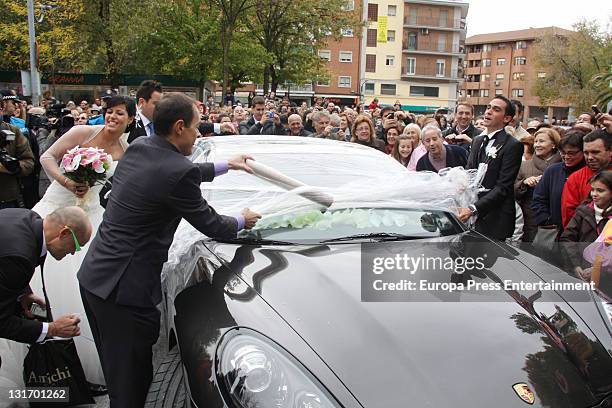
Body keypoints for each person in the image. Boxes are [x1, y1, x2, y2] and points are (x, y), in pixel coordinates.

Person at [77, 93, 260, 407]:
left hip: (95, 277)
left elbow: (176, 173)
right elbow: (213, 224)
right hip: (124, 292)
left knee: (117, 373)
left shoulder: (140, 148)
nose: (197, 134)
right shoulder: (176, 172)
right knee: (132, 385)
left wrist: (225, 165)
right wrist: (243, 219)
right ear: (178, 127)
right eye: (195, 127)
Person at [27, 95, 136, 388]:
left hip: (91, 217)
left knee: (85, 285)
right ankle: (40, 352)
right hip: (57, 210)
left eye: (120, 114)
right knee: (41, 276)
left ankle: (85, 365)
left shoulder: (125, 152)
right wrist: (66, 181)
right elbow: (46, 157)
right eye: (110, 112)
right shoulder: (81, 133)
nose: (113, 117)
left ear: (130, 120)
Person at [0, 207, 91, 392]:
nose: (73, 253)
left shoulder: (27, 218)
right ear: (65, 233)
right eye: (76, 245)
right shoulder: (20, 256)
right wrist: (52, 328)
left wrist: (23, 293)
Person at [458, 96, 523, 241]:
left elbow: (503, 187)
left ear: (506, 118)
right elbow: (470, 172)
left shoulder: (512, 145)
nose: (488, 112)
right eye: (488, 107)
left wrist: (474, 208)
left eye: (496, 109)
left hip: (495, 217)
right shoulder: (477, 141)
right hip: (471, 213)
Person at [559, 170, 612, 280]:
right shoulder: (583, 212)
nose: (594, 194)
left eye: (600, 191)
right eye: (592, 189)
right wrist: (575, 265)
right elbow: (567, 238)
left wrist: (599, 270)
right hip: (581, 272)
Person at [532, 130, 586, 235]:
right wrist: (547, 221)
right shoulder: (553, 171)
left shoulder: (589, 173)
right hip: (554, 232)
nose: (566, 156)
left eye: (571, 153)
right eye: (563, 152)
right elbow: (539, 199)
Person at [514, 127, 561, 242]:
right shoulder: (524, 166)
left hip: (556, 220)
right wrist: (524, 183)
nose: (537, 145)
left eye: (542, 141)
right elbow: (512, 191)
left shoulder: (563, 165)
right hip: (529, 220)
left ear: (553, 144)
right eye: (536, 141)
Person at [561, 130, 612, 227]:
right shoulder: (575, 179)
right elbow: (569, 216)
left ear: (610, 151)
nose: (589, 157)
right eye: (586, 153)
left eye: (595, 152)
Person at [0, 91, 35, 209]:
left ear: (1, 107)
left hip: (7, 198)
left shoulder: (13, 131)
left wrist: (9, 167)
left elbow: (29, 163)